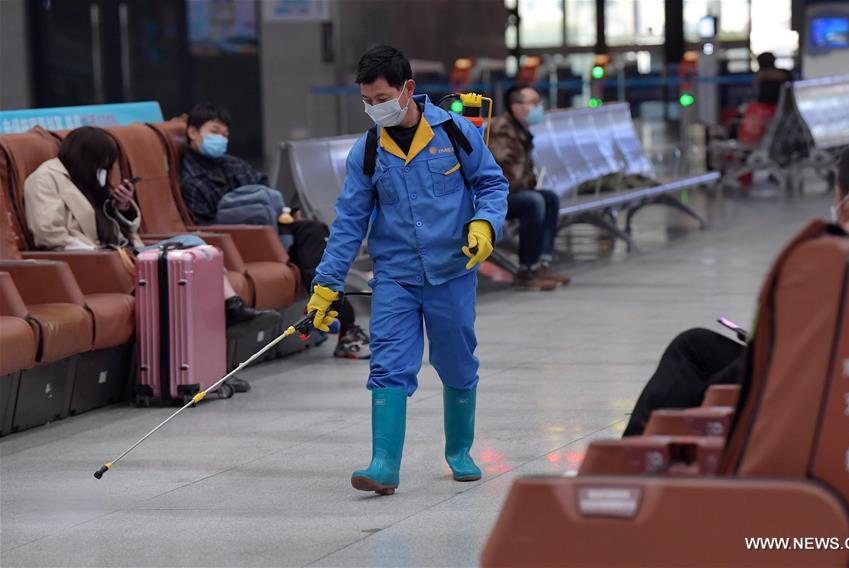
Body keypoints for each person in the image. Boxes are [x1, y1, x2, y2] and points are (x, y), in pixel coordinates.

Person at [306, 45, 509, 495]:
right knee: (388, 364)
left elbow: (492, 183)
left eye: (381, 98)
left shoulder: (455, 131)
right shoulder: (368, 150)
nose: (374, 108)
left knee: (456, 362)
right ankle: (383, 465)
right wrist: (326, 284)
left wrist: (484, 224)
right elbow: (349, 222)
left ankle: (459, 451)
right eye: (367, 101)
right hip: (395, 276)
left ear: (407, 89)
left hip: (452, 270)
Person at [623, 136, 849, 436]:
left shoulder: (837, 252)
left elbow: (784, 350)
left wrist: (710, 392)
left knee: (692, 356)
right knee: (698, 346)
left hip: (820, 390)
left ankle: (635, 452)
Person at [23, 126, 274, 392]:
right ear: (85, 157)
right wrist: (100, 253)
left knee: (196, 254)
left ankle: (214, 359)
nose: (104, 171)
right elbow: (49, 233)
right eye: (102, 164)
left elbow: (115, 227)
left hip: (122, 253)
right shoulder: (46, 179)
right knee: (190, 258)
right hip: (96, 263)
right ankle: (227, 321)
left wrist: (122, 206)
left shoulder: (86, 178)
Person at [179, 102, 371, 359]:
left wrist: (288, 212)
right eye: (214, 132)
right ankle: (338, 321)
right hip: (240, 240)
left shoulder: (233, 164)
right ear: (192, 132)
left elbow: (267, 191)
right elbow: (206, 224)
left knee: (313, 232)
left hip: (271, 228)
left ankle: (333, 316)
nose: (221, 140)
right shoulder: (191, 178)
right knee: (310, 254)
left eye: (225, 134)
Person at [488, 85, 569, 291]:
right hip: (494, 196)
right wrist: (528, 184)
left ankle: (541, 265)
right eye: (533, 103)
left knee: (550, 198)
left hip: (513, 191)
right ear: (516, 107)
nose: (539, 107)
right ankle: (526, 270)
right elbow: (509, 175)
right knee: (534, 201)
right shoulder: (501, 130)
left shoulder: (520, 131)